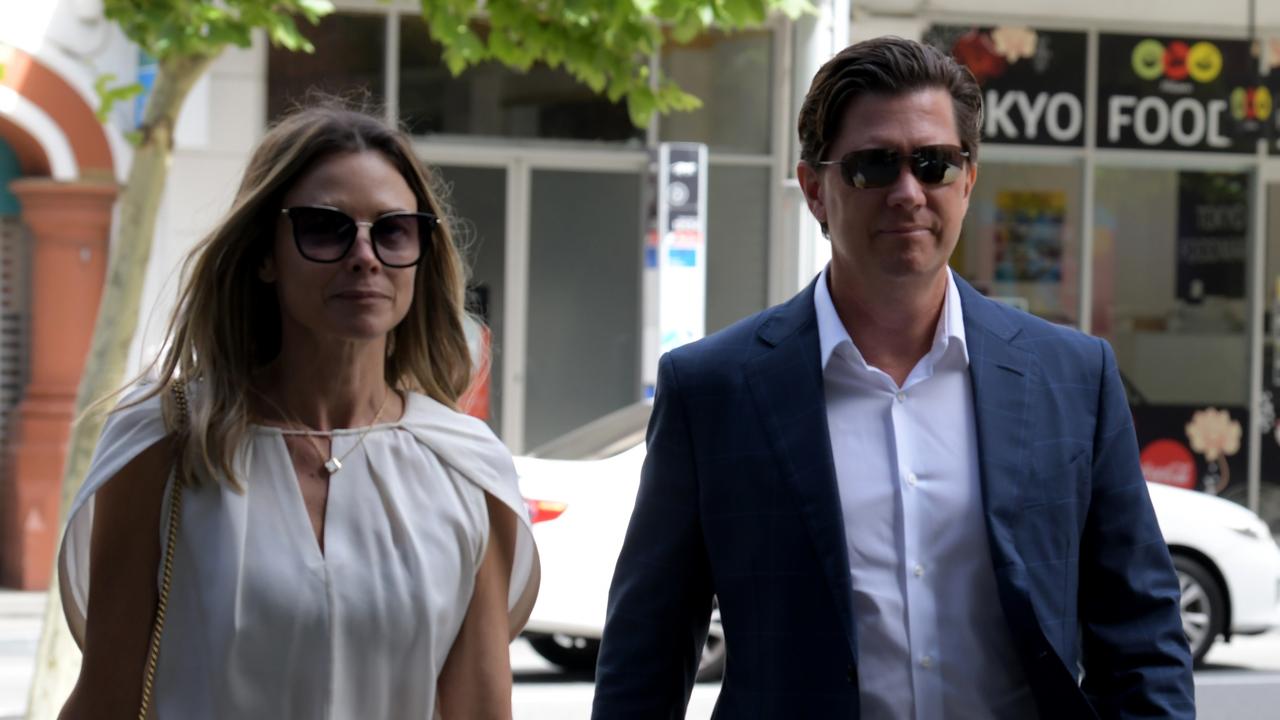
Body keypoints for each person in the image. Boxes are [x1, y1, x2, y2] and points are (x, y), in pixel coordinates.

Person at [593, 36, 1193, 719]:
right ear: (814, 188)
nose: (907, 192)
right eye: (873, 167)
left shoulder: (1073, 377)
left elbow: (1141, 636)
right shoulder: (714, 391)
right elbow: (647, 651)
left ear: (967, 182)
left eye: (934, 164)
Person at [56, 105, 539, 720]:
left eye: (393, 231)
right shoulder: (167, 441)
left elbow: (478, 711)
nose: (364, 255)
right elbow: (107, 699)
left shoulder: (466, 466)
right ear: (264, 256)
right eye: (324, 227)